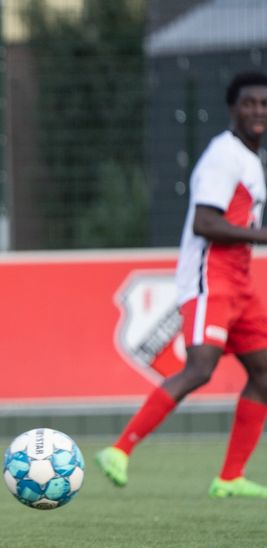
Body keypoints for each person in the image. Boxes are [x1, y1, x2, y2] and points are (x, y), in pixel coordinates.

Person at [95, 71, 267, 497]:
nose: (258, 111)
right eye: (249, 103)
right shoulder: (222, 156)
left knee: (265, 374)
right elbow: (205, 223)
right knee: (200, 368)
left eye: (264, 104)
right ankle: (119, 449)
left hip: (240, 282)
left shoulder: (251, 161)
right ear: (233, 109)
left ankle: (230, 477)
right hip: (210, 278)